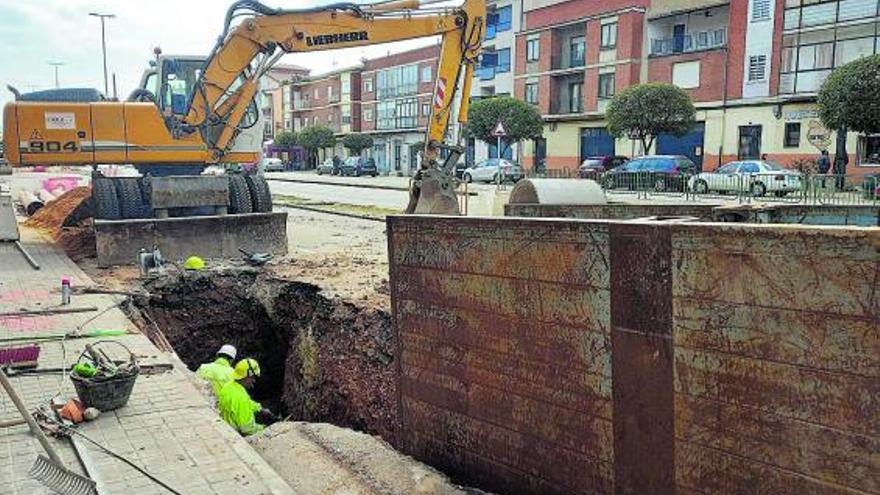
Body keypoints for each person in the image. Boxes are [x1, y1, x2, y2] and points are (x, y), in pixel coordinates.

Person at [217, 358, 276, 436]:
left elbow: (248, 403)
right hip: (236, 436)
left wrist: (259, 408)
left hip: (227, 428)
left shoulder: (228, 387)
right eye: (253, 377)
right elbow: (247, 429)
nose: (254, 381)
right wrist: (264, 428)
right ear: (247, 376)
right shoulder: (241, 398)